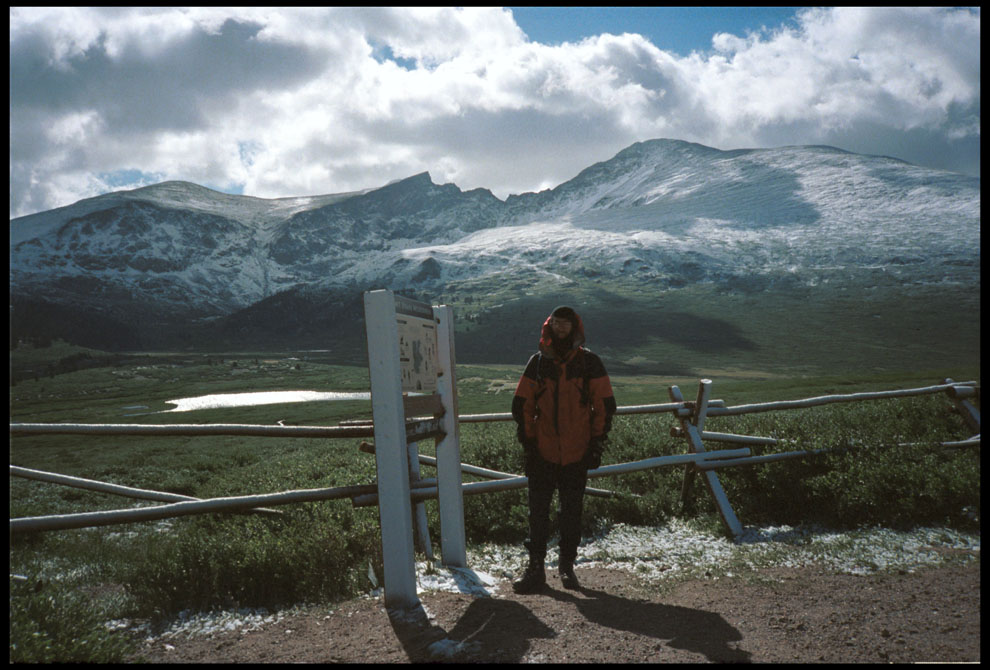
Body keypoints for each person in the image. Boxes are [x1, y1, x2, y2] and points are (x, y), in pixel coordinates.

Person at [510, 305, 617, 593]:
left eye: (565, 324)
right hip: (543, 451)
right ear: (549, 326)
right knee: (538, 513)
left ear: (574, 327)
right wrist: (530, 444)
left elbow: (604, 406)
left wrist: (595, 444)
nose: (560, 328)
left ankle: (567, 567)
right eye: (556, 323)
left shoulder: (589, 363)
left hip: (577, 452)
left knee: (571, 512)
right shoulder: (538, 363)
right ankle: (535, 570)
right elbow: (522, 405)